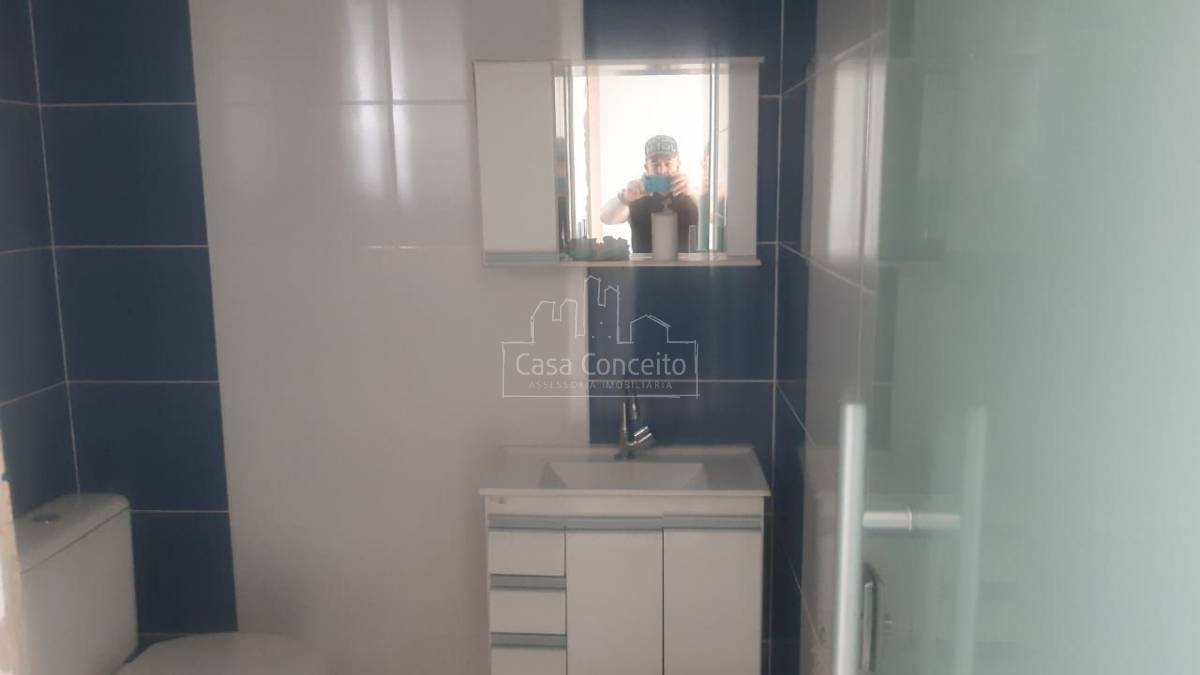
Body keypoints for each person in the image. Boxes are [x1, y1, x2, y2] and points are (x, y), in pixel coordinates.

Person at [599, 135, 699, 254]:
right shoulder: (636, 193)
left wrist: (693, 193)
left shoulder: (691, 194)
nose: (661, 170)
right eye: (655, 164)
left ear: (678, 164)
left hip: (688, 265)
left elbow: (715, 216)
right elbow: (606, 218)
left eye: (668, 163)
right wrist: (625, 197)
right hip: (645, 265)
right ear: (646, 167)